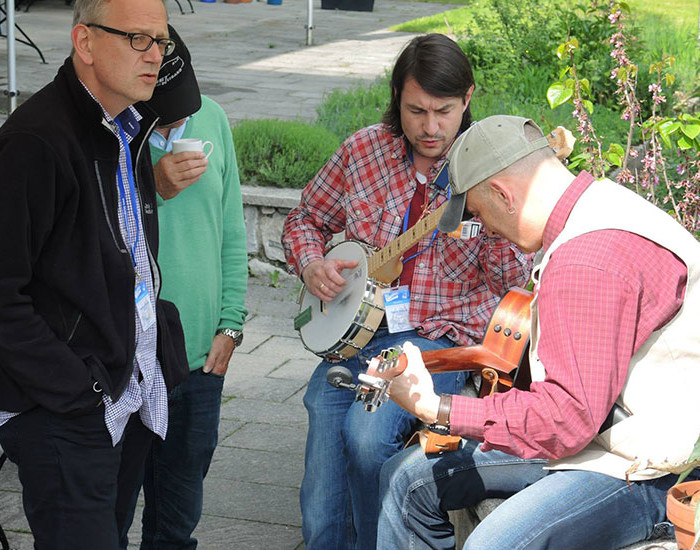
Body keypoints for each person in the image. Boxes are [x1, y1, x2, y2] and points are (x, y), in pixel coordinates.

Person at [377, 115, 700, 550]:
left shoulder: (588, 260)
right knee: (406, 481)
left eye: (477, 212)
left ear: (504, 194)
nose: (484, 228)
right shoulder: (597, 203)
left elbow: (568, 420)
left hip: (653, 469)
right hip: (604, 432)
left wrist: (436, 406)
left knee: (492, 545)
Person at [281, 34, 532, 549]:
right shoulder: (364, 151)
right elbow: (305, 218)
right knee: (323, 424)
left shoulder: (485, 167)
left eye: (444, 111)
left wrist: (496, 214)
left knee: (367, 435)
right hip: (359, 336)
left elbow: (513, 278)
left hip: (442, 342)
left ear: (468, 99)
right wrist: (311, 265)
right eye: (416, 110)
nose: (431, 127)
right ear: (398, 97)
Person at [0, 1, 189, 549]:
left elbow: (125, 260)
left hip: (123, 394)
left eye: (161, 41)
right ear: (84, 42)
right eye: (137, 39)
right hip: (63, 405)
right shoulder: (35, 142)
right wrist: (76, 389)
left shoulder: (125, 128)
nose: (155, 55)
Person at [119, 25, 249, 549]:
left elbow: (231, 231)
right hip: (127, 358)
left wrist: (232, 325)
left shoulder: (213, 119)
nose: (176, 118)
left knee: (177, 517)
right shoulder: (113, 133)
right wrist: (154, 184)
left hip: (199, 358)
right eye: (163, 106)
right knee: (109, 512)